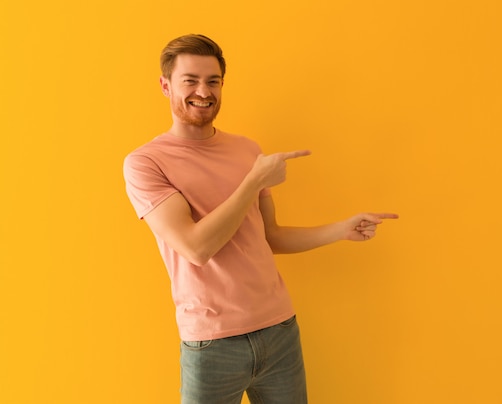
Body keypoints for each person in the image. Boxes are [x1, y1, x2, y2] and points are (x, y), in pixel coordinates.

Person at [123, 34, 398, 404]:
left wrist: (341, 230)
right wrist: (254, 180)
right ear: (165, 85)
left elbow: (270, 237)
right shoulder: (146, 163)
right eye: (190, 80)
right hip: (212, 344)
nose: (203, 91)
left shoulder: (246, 149)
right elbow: (195, 247)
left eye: (213, 81)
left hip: (280, 331)